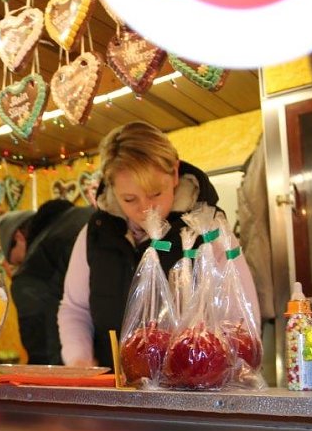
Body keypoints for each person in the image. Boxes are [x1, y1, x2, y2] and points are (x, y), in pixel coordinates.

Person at [58, 121, 260, 369]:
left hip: (191, 392)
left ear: (174, 174)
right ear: (111, 188)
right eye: (129, 198)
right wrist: (80, 360)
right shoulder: (96, 233)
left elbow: (242, 320)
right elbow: (75, 309)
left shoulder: (210, 230)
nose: (145, 209)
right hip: (111, 389)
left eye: (155, 194)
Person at [0, 200, 94, 364]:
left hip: (71, 361)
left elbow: (40, 344)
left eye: (16, 260)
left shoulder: (31, 271)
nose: (19, 266)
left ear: (19, 236)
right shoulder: (82, 219)